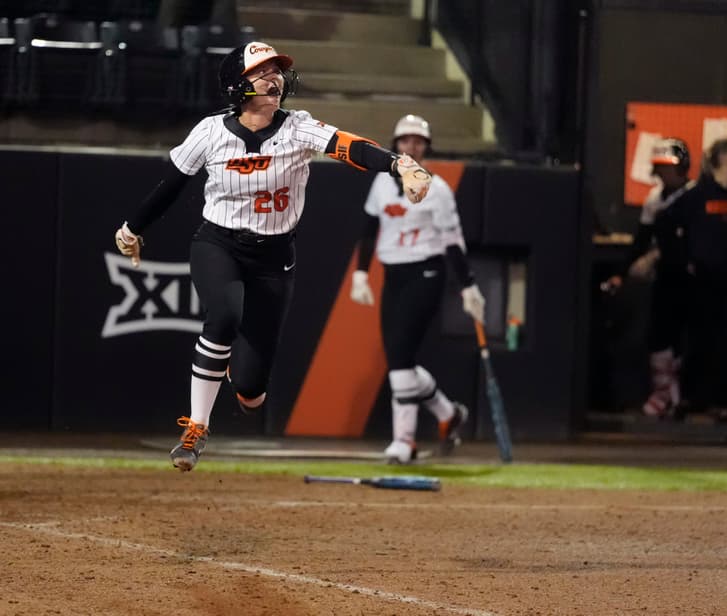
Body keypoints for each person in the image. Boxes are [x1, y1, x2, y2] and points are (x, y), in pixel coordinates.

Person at [113, 42, 432, 471]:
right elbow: (172, 184)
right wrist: (132, 227)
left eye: (276, 70)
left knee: (251, 391)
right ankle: (195, 429)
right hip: (219, 242)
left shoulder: (298, 127)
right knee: (223, 315)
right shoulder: (210, 131)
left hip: (274, 257)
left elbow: (347, 146)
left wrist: (399, 163)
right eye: (261, 70)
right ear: (236, 84)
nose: (273, 77)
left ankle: (237, 377)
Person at [348, 114, 485, 464]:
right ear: (395, 145)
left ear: (425, 147)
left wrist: (468, 286)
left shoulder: (436, 189)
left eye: (418, 141)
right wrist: (361, 274)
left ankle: (404, 441)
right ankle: (448, 413)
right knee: (401, 359)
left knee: (399, 357)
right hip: (394, 273)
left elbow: (453, 241)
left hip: (427, 271)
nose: (411, 146)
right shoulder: (381, 184)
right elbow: (368, 229)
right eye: (405, 140)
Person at [603, 138, 695, 418]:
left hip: (692, 277)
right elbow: (640, 241)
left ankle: (677, 397)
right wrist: (620, 272)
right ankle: (665, 394)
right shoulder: (655, 199)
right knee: (658, 335)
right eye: (659, 167)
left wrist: (656, 255)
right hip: (666, 276)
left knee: (683, 340)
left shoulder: (694, 195)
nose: (662, 173)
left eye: (667, 167)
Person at [667, 136, 727, 422]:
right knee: (701, 339)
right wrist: (683, 260)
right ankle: (692, 397)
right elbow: (666, 223)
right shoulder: (699, 195)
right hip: (704, 282)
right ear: (723, 158)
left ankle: (723, 400)